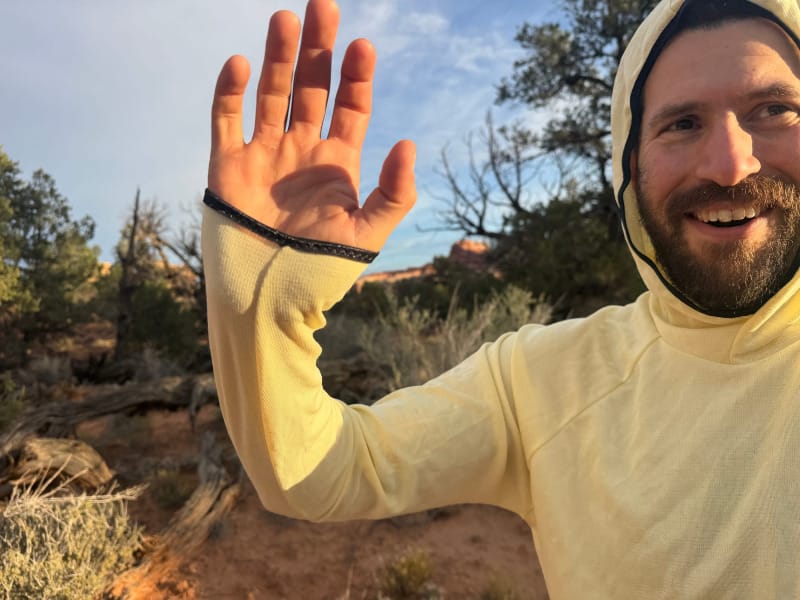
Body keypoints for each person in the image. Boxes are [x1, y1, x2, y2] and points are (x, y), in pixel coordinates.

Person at [201, 0, 800, 596]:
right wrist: (266, 299)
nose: (728, 164)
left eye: (775, 110)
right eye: (682, 123)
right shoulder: (543, 381)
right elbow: (322, 474)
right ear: (630, 162)